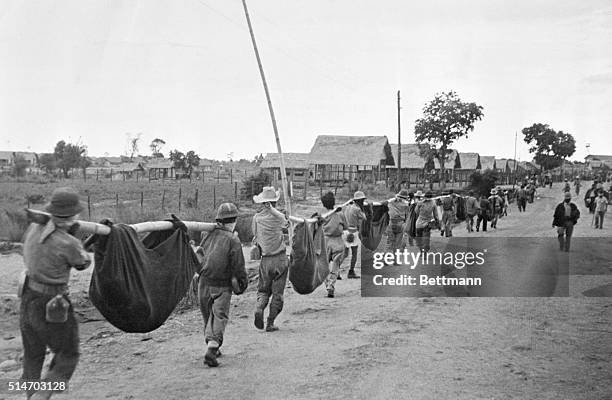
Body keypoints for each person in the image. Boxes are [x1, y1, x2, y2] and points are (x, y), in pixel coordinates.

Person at [20, 187, 92, 400]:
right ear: (72, 215)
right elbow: (83, 262)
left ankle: (29, 394)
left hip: (27, 297)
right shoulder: (68, 242)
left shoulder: (34, 228)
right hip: (53, 303)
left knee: (33, 355)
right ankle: (41, 396)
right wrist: (74, 237)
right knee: (68, 355)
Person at [195, 203, 248, 367]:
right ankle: (212, 349)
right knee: (219, 316)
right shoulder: (233, 239)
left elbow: (200, 255)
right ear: (234, 220)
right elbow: (238, 265)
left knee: (207, 315)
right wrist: (242, 282)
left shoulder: (208, 235)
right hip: (221, 285)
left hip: (203, 283)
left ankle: (212, 345)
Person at [251, 186, 289, 332]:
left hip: (265, 260)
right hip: (279, 258)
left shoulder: (257, 218)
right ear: (275, 202)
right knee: (277, 294)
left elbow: (254, 236)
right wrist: (273, 210)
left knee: (263, 290)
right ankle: (270, 322)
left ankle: (259, 307)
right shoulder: (278, 217)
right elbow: (286, 223)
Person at [317, 192, 349, 298]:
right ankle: (331, 285)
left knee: (323, 265)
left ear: (323, 204)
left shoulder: (321, 215)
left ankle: (327, 284)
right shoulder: (339, 214)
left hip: (324, 241)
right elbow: (346, 227)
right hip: (337, 242)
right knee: (335, 266)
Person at [342, 191, 367, 279]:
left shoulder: (347, 207)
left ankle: (336, 270)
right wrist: (363, 209)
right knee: (354, 253)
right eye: (362, 200)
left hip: (345, 231)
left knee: (344, 254)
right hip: (353, 231)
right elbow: (364, 218)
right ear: (359, 201)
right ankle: (351, 271)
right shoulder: (357, 209)